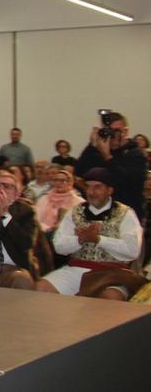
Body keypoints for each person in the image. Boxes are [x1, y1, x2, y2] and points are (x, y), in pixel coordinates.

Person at [36, 168, 143, 300]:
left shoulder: (125, 213)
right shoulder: (75, 211)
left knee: (111, 296)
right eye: (88, 187)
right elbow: (59, 246)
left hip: (113, 272)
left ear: (109, 190)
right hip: (77, 268)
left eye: (98, 187)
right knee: (42, 288)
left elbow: (132, 250)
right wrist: (80, 240)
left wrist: (98, 239)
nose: (91, 192)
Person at [75, 111, 146, 222]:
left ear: (126, 131)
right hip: (99, 214)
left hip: (127, 214)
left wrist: (108, 157)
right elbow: (79, 171)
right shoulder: (99, 152)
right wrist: (91, 146)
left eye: (118, 131)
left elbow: (131, 183)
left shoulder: (135, 154)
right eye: (110, 131)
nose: (114, 135)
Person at [35, 166, 83, 234]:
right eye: (55, 180)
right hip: (45, 234)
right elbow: (36, 219)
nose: (58, 183)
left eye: (62, 181)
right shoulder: (43, 199)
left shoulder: (79, 202)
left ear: (70, 182)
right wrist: (48, 229)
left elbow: (80, 223)